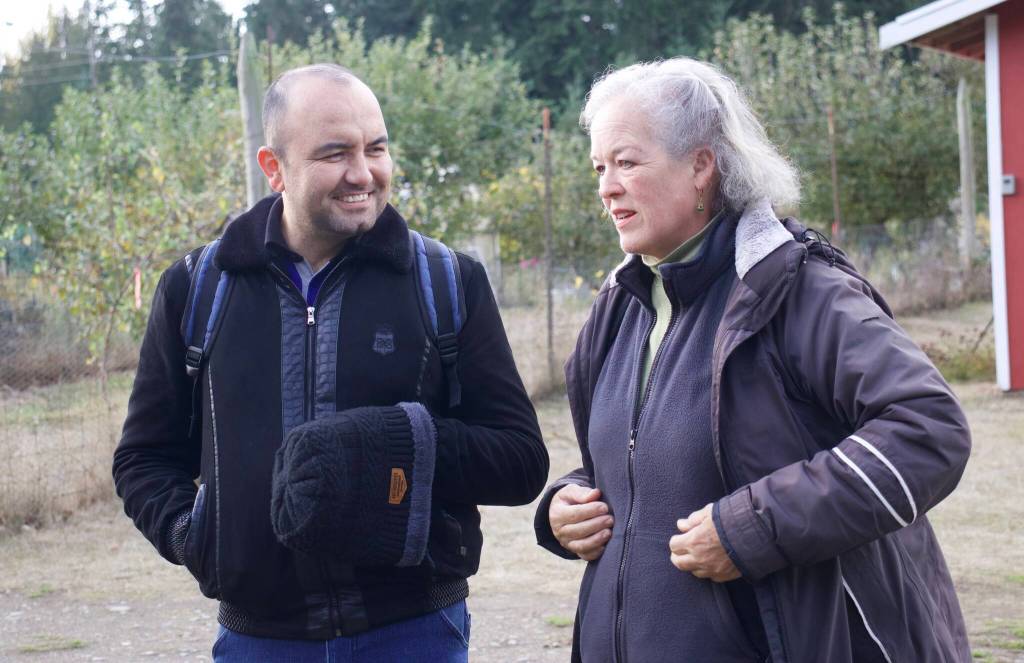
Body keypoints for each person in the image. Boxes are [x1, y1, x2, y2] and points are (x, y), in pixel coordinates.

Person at [533, 57, 971, 663]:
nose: (606, 187)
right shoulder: (619, 307)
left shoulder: (799, 291)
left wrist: (757, 526)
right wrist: (569, 503)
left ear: (701, 166)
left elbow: (929, 429)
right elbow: (643, 462)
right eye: (599, 167)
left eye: (627, 162)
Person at [113, 63, 548, 662]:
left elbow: (521, 462)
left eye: (376, 148)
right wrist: (194, 537)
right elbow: (143, 457)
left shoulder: (447, 281)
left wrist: (391, 446)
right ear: (274, 168)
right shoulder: (198, 287)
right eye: (335, 153)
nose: (363, 173)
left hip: (415, 631)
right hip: (259, 639)